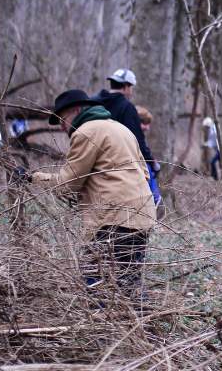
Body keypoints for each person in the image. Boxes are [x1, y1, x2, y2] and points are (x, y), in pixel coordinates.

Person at [33, 89, 157, 303]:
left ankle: (102, 328)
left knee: (96, 281)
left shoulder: (86, 132)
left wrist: (33, 178)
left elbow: (67, 184)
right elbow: (144, 173)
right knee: (129, 280)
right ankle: (140, 326)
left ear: (78, 110)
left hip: (113, 219)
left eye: (63, 119)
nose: (62, 126)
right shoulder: (121, 129)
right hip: (141, 214)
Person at [96, 68, 160, 205]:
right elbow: (137, 141)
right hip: (121, 166)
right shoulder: (127, 108)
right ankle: (154, 203)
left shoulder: (94, 102)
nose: (131, 92)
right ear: (126, 87)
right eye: (131, 88)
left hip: (94, 163)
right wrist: (151, 162)